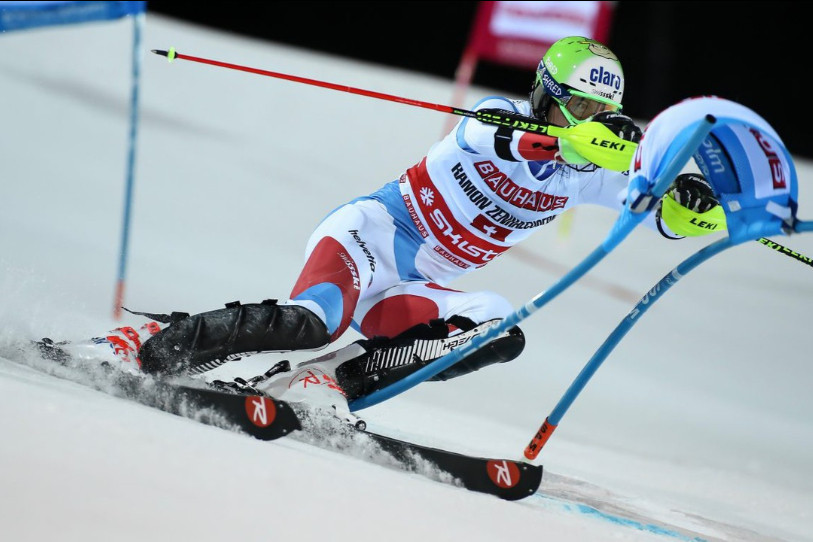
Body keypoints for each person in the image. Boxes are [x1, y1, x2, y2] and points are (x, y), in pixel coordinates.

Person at [42, 36, 726, 421]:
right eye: (576, 103)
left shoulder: (590, 172)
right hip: (368, 240)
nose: (586, 117)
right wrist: (586, 142)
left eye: (601, 109)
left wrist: (686, 196)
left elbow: (661, 211)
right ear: (549, 97)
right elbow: (498, 140)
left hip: (422, 283)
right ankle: (146, 344)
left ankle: (323, 384)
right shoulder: (500, 118)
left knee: (498, 329)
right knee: (314, 318)